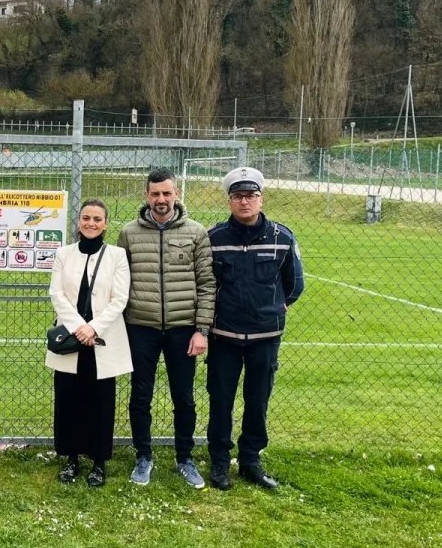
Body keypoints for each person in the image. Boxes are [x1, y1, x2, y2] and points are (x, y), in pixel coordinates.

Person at [206, 167, 305, 491]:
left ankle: (250, 461)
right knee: (221, 400)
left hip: (265, 338)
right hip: (225, 337)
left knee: (257, 400)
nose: (244, 202)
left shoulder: (282, 237)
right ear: (230, 200)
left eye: (250, 196)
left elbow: (294, 285)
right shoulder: (214, 239)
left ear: (261, 199)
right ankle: (220, 463)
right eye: (237, 196)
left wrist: (274, 308)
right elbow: (205, 284)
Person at [116, 169, 216, 489]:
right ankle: (143, 456)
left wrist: (202, 329)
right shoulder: (129, 233)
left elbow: (207, 284)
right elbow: (119, 284)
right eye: (155, 193)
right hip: (140, 327)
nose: (161, 199)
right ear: (146, 195)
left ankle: (185, 458)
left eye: (167, 193)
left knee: (184, 398)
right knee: (140, 395)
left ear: (176, 194)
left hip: (182, 329)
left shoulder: (196, 232)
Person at [46, 199, 132, 487]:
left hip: (102, 340)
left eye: (97, 219)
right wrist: (79, 327)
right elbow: (57, 295)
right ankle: (71, 458)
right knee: (69, 400)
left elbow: (119, 299)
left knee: (100, 402)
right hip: (72, 338)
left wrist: (93, 328)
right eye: (86, 218)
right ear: (79, 222)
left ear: (106, 223)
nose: (91, 223)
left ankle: (98, 462)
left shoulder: (117, 255)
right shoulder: (64, 254)